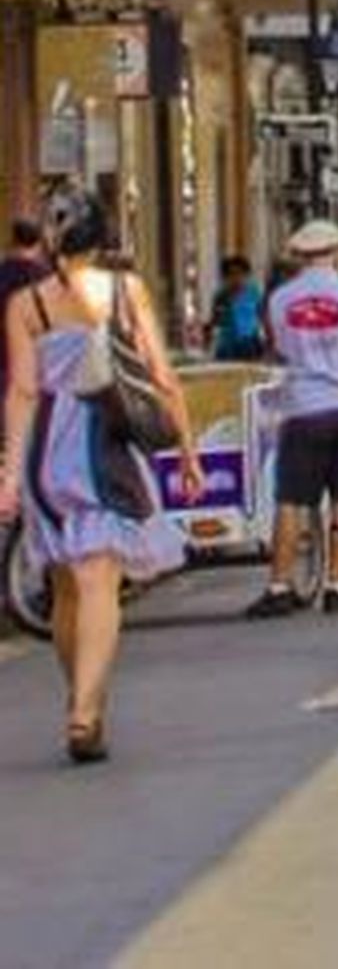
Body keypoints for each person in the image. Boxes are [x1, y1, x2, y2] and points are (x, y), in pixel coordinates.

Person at [0, 188, 203, 763]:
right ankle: (86, 710)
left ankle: (80, 698)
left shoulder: (25, 305)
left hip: (45, 452)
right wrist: (185, 449)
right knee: (98, 579)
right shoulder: (124, 290)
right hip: (102, 446)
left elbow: (20, 391)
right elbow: (160, 374)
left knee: (66, 582)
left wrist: (10, 475)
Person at [245, 216, 338, 620]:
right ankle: (335, 586)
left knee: (290, 499)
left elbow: (279, 349)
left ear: (299, 257)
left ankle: (278, 585)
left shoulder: (279, 299)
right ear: (336, 254)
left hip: (303, 407)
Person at [0, 216, 45, 407]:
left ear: (12, 241)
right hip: (38, 363)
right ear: (39, 242)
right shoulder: (47, 278)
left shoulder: (2, 274)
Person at [207, 252, 266, 362]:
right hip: (227, 346)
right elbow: (215, 320)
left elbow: (262, 315)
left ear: (246, 275)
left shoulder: (254, 293)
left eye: (240, 273)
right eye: (231, 274)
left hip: (250, 343)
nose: (236, 278)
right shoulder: (221, 295)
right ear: (226, 277)